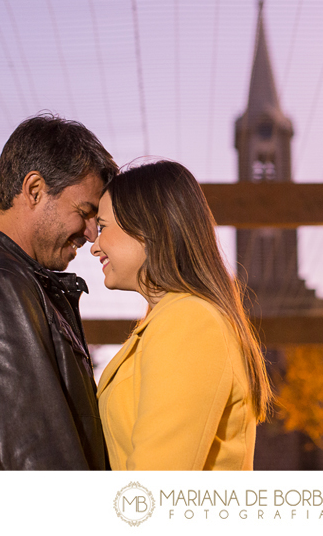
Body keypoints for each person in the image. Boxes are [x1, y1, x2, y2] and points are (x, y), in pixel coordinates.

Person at [0, 114, 117, 470]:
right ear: (34, 190)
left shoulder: (9, 282)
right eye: (85, 212)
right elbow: (40, 462)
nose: (92, 234)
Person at [91, 159, 273, 470]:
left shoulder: (189, 320)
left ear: (147, 227)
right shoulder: (174, 318)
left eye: (102, 227)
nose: (94, 247)